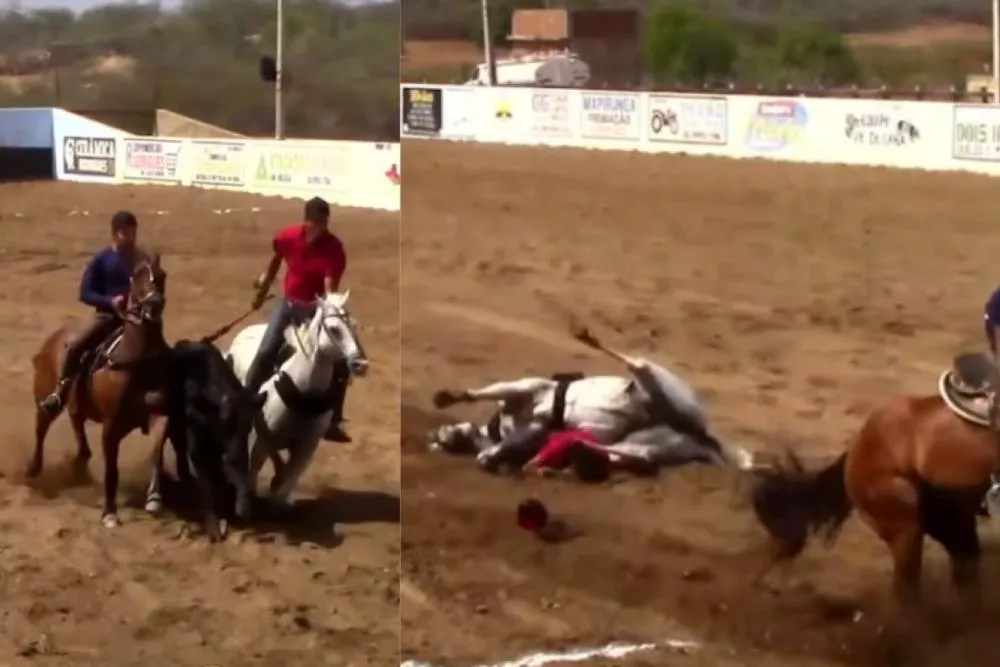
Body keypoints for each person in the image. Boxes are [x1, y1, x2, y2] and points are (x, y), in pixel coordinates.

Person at [245, 196, 351, 442]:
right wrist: (261, 291)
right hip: (289, 305)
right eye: (317, 223)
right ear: (306, 222)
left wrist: (328, 313)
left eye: (325, 223)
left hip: (315, 310)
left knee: (340, 362)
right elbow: (274, 263)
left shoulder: (334, 249)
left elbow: (329, 289)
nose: (322, 229)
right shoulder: (287, 237)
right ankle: (246, 398)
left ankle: (333, 418)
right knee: (266, 350)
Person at [39, 211, 140, 417]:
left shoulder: (141, 258)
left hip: (137, 318)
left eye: (133, 233)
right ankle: (60, 391)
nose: (130, 238)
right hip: (107, 317)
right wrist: (109, 302)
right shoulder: (102, 260)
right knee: (76, 347)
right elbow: (85, 293)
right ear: (115, 234)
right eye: (125, 234)